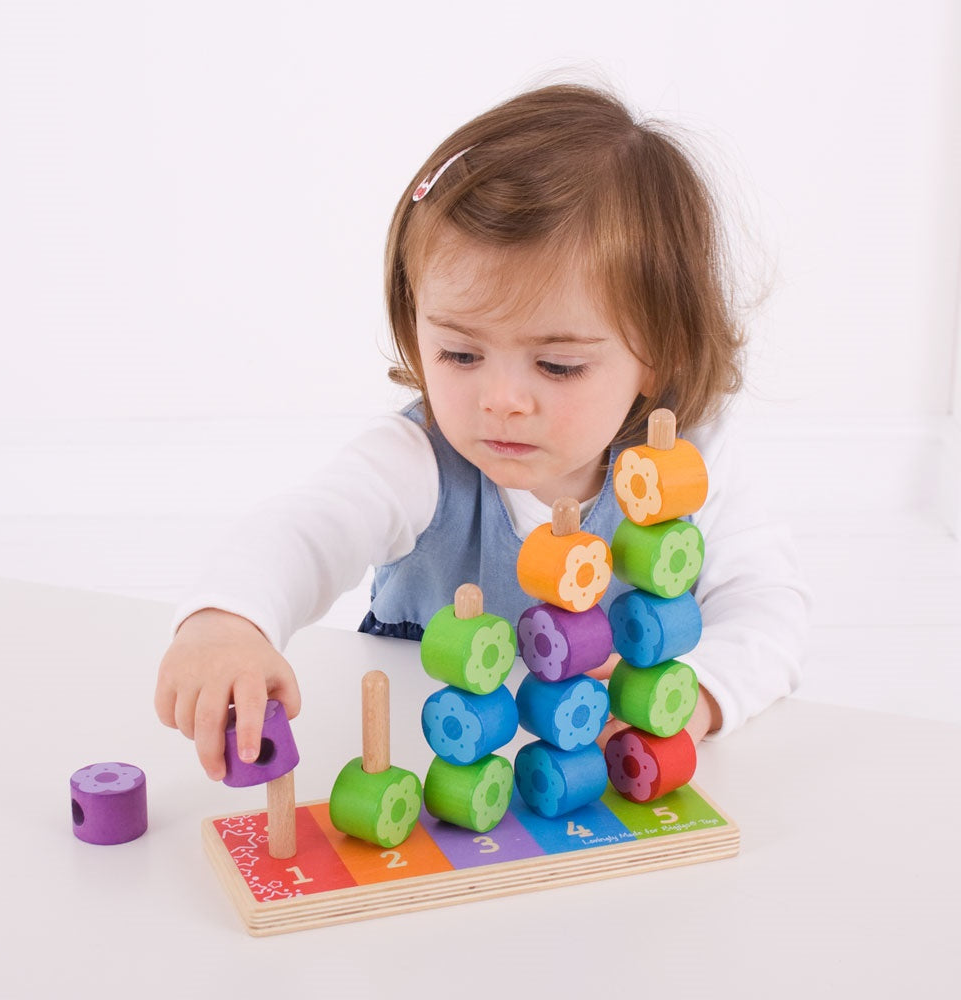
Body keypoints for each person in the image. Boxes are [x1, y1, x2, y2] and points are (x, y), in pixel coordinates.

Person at [155, 83, 810, 780]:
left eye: (558, 365)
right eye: (460, 354)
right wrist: (228, 619)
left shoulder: (690, 464)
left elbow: (768, 608)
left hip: (601, 784)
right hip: (426, 767)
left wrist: (698, 692)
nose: (500, 400)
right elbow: (308, 528)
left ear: (660, 356)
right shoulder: (418, 461)